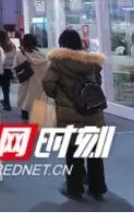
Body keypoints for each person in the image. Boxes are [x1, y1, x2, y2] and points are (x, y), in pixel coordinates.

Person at [43, 29, 107, 201]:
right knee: (94, 154)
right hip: (92, 113)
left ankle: (75, 188)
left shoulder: (57, 62)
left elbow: (48, 84)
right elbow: (97, 82)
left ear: (62, 44)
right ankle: (97, 189)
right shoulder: (92, 61)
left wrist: (60, 95)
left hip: (69, 115)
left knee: (73, 153)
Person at [14, 34, 48, 121]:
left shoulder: (19, 54)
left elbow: (15, 68)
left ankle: (25, 120)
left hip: (25, 82)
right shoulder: (41, 54)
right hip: (38, 84)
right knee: (37, 103)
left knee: (25, 102)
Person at [0, 29, 17, 111]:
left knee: (4, 87)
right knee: (6, 86)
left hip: (1, 68)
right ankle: (6, 100)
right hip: (9, 68)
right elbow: (14, 55)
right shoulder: (11, 44)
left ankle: (7, 103)